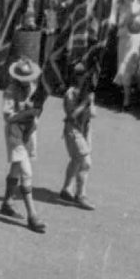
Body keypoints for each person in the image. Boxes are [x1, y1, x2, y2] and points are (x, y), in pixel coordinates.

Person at [0, 58, 47, 234]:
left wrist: (36, 112)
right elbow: (8, 116)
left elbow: (37, 108)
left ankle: (7, 202)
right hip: (15, 132)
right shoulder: (10, 91)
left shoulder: (33, 88)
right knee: (27, 172)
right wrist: (28, 112)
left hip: (28, 131)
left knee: (16, 168)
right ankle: (32, 215)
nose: (27, 81)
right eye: (24, 78)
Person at [60, 67, 96, 211]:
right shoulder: (70, 93)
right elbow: (71, 115)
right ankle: (81, 195)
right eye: (84, 76)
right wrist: (85, 103)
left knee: (76, 159)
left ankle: (66, 188)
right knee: (85, 161)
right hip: (72, 128)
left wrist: (90, 103)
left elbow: (93, 114)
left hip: (85, 129)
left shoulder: (88, 92)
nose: (87, 78)